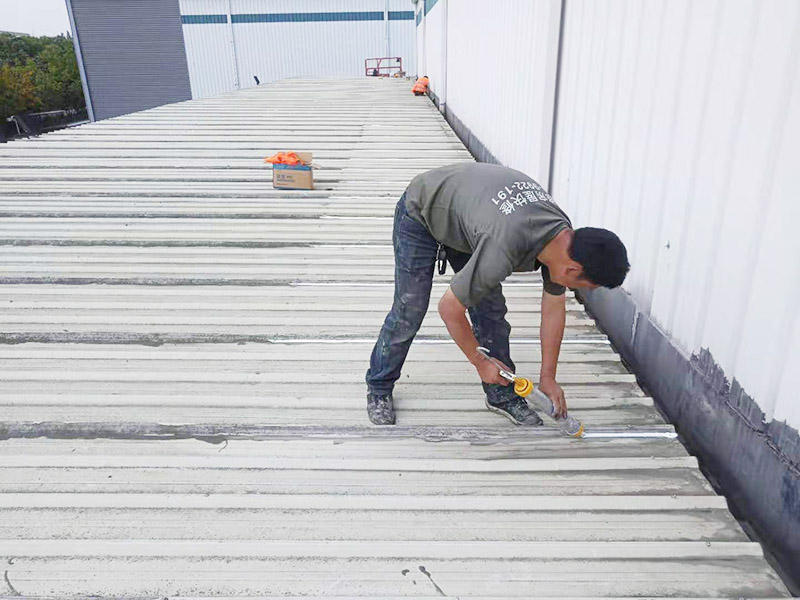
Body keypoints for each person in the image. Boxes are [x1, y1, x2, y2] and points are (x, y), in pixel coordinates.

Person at [365, 163, 629, 426]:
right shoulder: (505, 245)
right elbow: (449, 309)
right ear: (573, 269)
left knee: (490, 311)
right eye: (583, 286)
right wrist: (480, 362)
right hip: (424, 208)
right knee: (409, 308)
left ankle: (501, 395)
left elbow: (553, 309)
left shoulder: (565, 242)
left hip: (471, 220)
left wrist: (548, 378)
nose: (577, 290)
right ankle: (379, 386)